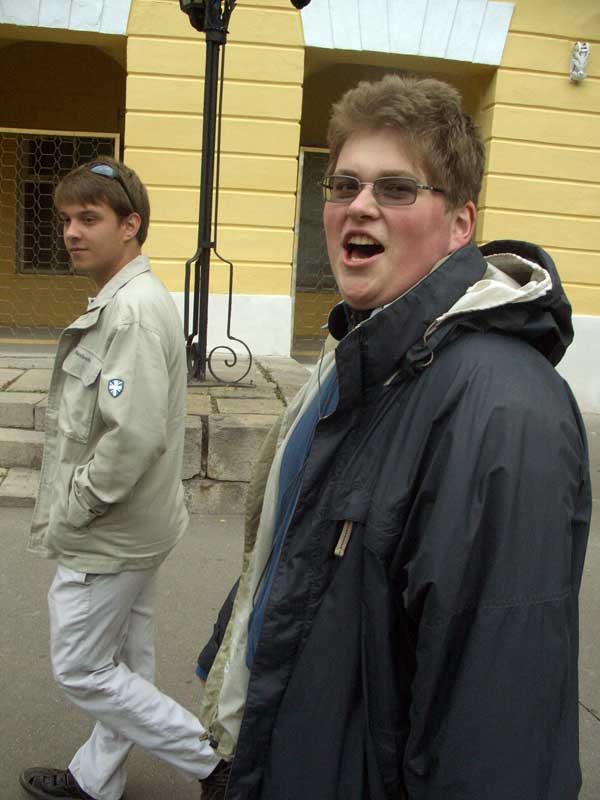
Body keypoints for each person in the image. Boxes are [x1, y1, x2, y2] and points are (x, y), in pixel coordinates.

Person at [196, 75, 591, 799]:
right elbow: (287, 557)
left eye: (397, 188)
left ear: (461, 224)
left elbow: (497, 728)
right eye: (344, 184)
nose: (359, 204)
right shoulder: (356, 356)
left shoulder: (503, 410)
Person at [20, 157, 220, 800]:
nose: (71, 233)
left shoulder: (130, 312)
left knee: (82, 668)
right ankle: (95, 780)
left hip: (110, 532)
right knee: (126, 663)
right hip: (139, 527)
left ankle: (217, 768)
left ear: (130, 225)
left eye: (89, 218)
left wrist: (77, 504)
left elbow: (131, 436)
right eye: (65, 219)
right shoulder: (128, 301)